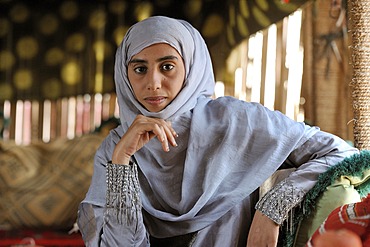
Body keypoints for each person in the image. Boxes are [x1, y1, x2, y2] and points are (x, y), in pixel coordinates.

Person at [77, 16, 359, 247]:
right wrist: (122, 163)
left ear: (190, 70)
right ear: (125, 77)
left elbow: (339, 152)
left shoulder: (236, 122)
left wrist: (272, 209)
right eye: (139, 69)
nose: (153, 83)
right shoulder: (117, 148)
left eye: (167, 67)